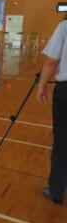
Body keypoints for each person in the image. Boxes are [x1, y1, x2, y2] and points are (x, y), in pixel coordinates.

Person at [36, 19, 67, 204]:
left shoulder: (65, 26)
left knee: (62, 141)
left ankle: (56, 190)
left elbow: (52, 61)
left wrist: (42, 85)